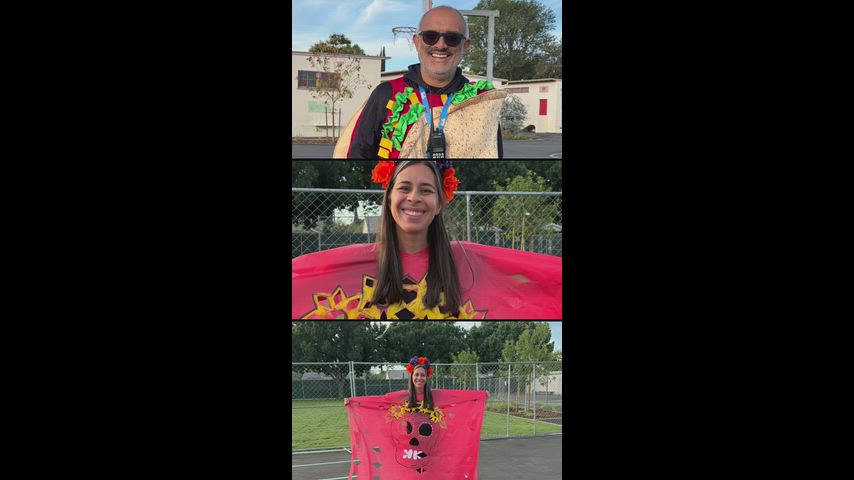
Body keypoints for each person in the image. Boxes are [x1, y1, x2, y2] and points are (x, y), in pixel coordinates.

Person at [291, 160, 563, 319]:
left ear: (440, 202)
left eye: (426, 190)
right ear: (389, 197)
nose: (414, 198)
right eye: (404, 188)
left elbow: (543, 275)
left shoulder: (468, 260)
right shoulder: (352, 260)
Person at [336, 6, 506, 158]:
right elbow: (359, 153)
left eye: (452, 38)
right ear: (416, 41)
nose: (440, 45)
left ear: (466, 45)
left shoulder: (482, 100)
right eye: (430, 36)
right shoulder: (387, 93)